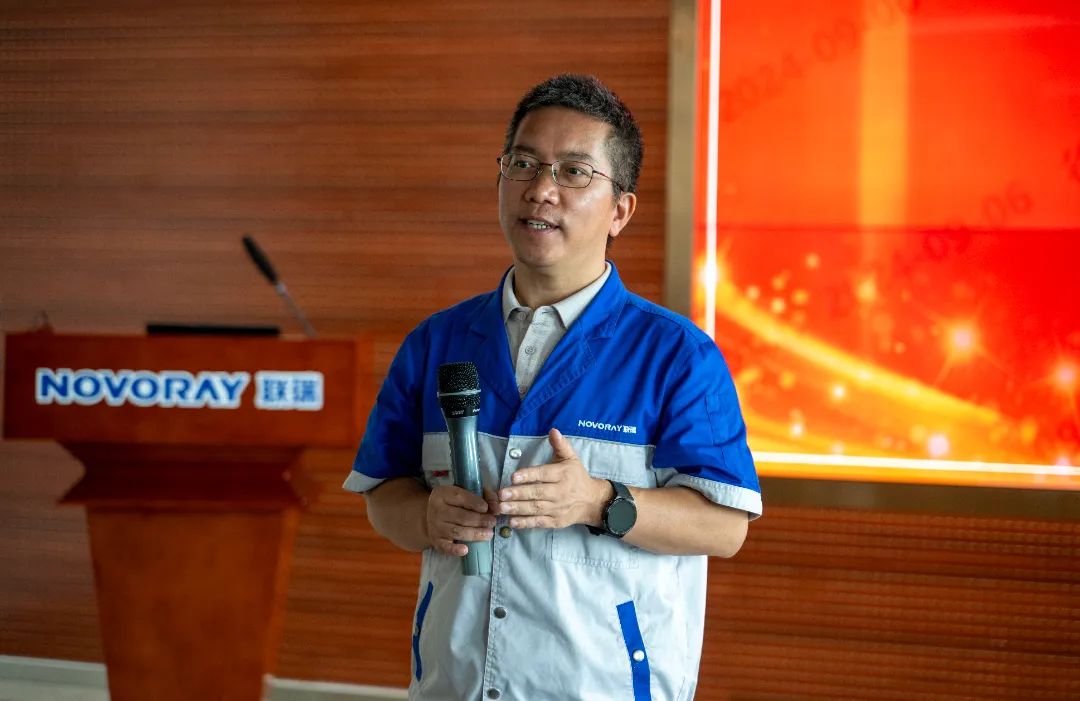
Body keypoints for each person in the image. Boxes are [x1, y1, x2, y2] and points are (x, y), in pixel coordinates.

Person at [344, 74, 761, 701]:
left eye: (574, 172)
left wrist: (600, 501)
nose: (541, 189)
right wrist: (427, 516)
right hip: (454, 685)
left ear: (620, 211)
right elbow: (384, 498)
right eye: (523, 164)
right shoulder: (436, 342)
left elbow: (724, 528)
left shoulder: (677, 355)